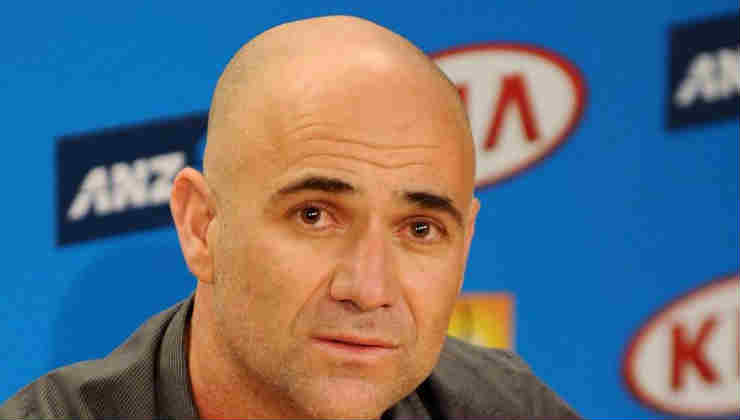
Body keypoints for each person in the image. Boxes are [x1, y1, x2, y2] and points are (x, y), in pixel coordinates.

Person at [1, 15, 578, 419]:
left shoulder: (506, 407)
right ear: (201, 227)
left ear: (466, 242)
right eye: (314, 215)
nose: (369, 289)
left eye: (420, 229)